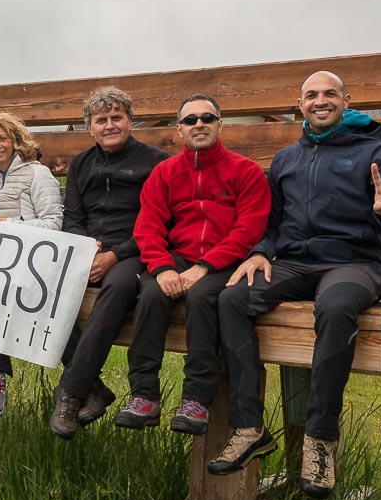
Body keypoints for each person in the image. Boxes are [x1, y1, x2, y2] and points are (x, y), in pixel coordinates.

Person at [213, 71, 381, 499]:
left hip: (354, 264)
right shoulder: (287, 158)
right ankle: (249, 426)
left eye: (330, 94)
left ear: (347, 100)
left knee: (335, 307)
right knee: (231, 297)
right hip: (294, 265)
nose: (320, 101)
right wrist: (258, 250)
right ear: (300, 104)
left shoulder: (374, 152)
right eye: (312, 95)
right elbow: (268, 223)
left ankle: (320, 440)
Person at [115, 95, 270, 436]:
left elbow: (249, 229)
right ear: (179, 130)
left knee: (202, 298)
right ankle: (144, 395)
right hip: (178, 258)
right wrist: (162, 268)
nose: (198, 124)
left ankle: (196, 399)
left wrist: (204, 266)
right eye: (190, 120)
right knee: (152, 294)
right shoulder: (165, 172)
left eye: (207, 117)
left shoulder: (245, 171)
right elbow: (148, 227)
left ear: (219, 124)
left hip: (226, 260)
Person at [48, 87, 169, 440]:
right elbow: (73, 218)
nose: (110, 125)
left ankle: (71, 392)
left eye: (117, 117)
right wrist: (86, 251)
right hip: (88, 251)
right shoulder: (81, 165)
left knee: (117, 286)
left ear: (130, 121)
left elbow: (158, 219)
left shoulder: (156, 162)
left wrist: (115, 254)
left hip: (136, 251)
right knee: (39, 291)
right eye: (102, 120)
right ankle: (94, 388)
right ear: (91, 127)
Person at [0, 112, 63, 417]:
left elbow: (54, 224)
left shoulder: (38, 174)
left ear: (16, 140)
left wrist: (10, 224)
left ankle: (78, 380)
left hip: (32, 263)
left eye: (3, 138)